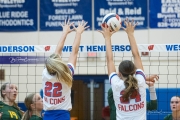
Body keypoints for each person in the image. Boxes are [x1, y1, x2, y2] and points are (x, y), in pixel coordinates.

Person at [98, 18, 154, 120]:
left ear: (119, 73)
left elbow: (109, 59)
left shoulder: (116, 84)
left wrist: (107, 38)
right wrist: (130, 34)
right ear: (134, 71)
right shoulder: (140, 81)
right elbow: (136, 55)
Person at [42, 19, 89, 120]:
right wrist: (78, 33)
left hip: (47, 115)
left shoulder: (45, 73)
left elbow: (57, 52)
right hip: (63, 115)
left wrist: (64, 33)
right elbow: (74, 51)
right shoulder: (67, 73)